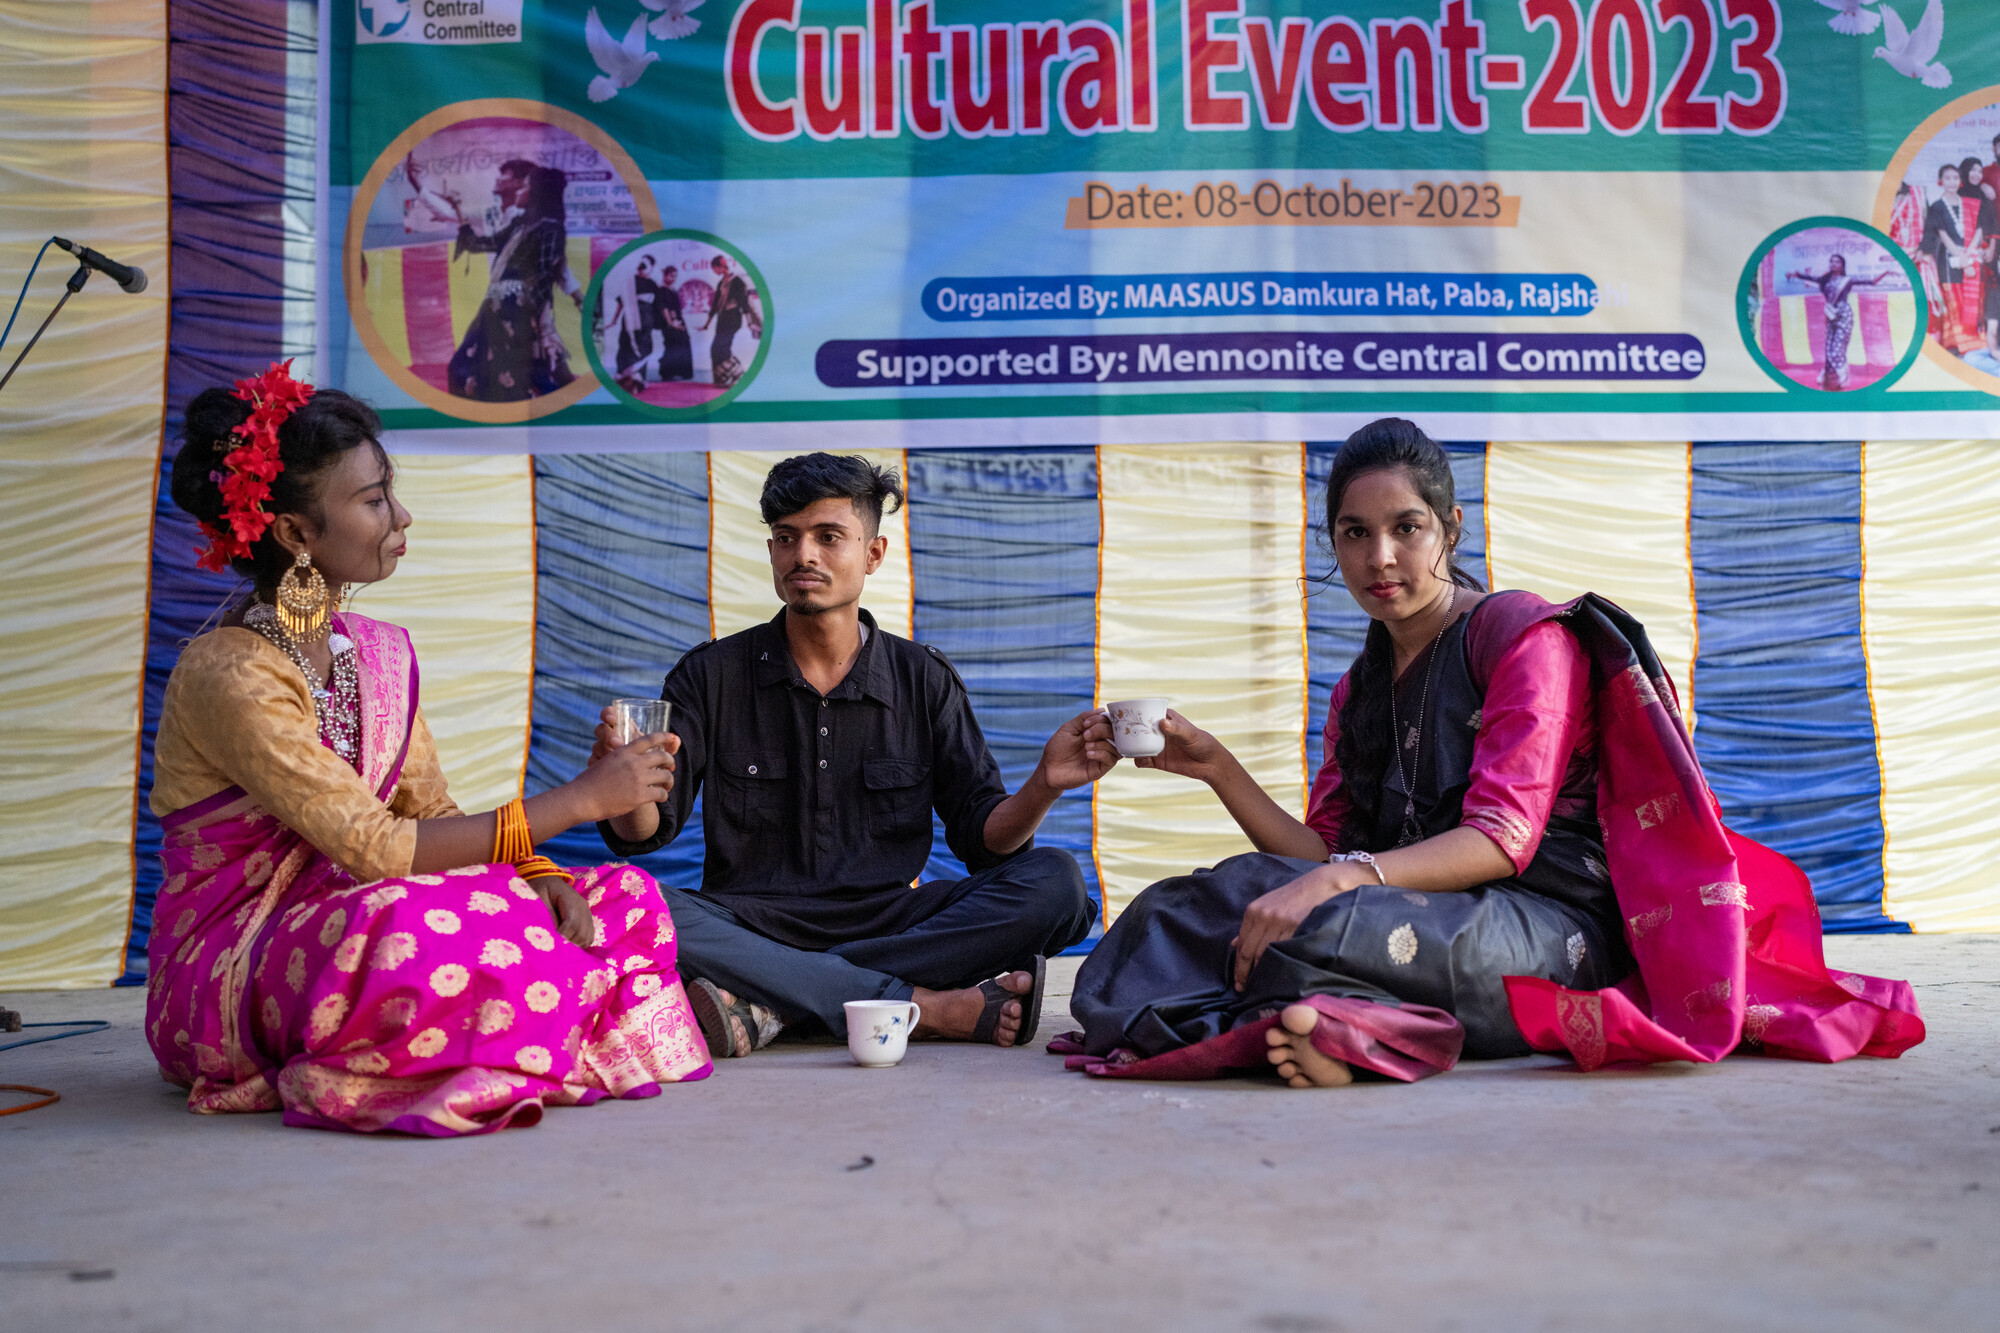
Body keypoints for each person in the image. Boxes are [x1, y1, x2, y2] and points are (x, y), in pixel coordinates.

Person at [1063, 419, 1924, 1087]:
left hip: (1547, 923)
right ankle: (1333, 1024)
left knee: (1319, 919)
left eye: (1405, 526)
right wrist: (1217, 765)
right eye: (1354, 534)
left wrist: (1339, 877)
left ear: (1449, 527)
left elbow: (1500, 840)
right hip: (1407, 907)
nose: (1381, 556)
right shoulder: (1358, 691)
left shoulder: (1519, 637)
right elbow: (1320, 852)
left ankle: (1373, 1031)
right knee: (1186, 903)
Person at [147, 362, 710, 1134]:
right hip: (235, 967)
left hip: (365, 907)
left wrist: (541, 872)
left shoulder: (374, 651)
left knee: (624, 899)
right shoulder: (232, 672)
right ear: (294, 532)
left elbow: (432, 811)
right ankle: (540, 1022)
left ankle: (510, 1022)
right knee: (409, 930)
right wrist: (579, 801)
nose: (401, 516)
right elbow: (379, 848)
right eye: (374, 500)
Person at [595, 453, 1107, 1056]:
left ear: (874, 554)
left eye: (828, 536)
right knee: (621, 899)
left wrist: (1044, 784)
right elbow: (644, 834)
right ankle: (925, 1005)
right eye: (786, 538)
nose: (803, 555)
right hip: (747, 922)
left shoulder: (923, 678)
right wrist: (620, 786)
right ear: (771, 553)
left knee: (1057, 886)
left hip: (894, 920)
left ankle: (770, 999)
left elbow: (982, 843)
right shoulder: (710, 676)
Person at [447, 159, 581, 401]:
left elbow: (545, 277)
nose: (520, 190)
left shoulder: (550, 229)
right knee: (468, 368)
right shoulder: (520, 225)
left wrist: (542, 325)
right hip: (495, 308)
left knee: (522, 375)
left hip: (517, 313)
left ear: (537, 193)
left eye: (525, 186)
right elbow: (481, 244)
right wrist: (458, 210)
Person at [1786, 254, 1891, 389]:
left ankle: (1843, 375)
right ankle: (1826, 374)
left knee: (1838, 349)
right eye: (1831, 262)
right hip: (1830, 315)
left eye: (1837, 262)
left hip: (1844, 316)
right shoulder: (1825, 280)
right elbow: (1808, 277)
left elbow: (1872, 282)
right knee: (1829, 347)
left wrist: (1886, 273)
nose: (1833, 264)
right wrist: (1795, 274)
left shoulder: (1847, 280)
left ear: (1842, 265)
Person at [700, 252, 758, 389]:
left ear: (720, 267)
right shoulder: (721, 283)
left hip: (732, 319)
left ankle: (739, 374)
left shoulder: (736, 281)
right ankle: (722, 378)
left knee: (723, 348)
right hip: (722, 319)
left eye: (714, 268)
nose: (714, 271)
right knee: (715, 349)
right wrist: (706, 324)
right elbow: (715, 305)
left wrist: (750, 322)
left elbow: (744, 304)